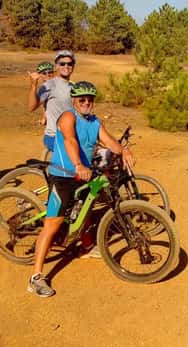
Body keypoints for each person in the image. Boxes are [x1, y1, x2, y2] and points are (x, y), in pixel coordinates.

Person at [27, 81, 135, 298]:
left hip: (84, 174)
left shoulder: (94, 122)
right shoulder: (69, 117)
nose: (86, 103)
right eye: (81, 99)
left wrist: (123, 150)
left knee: (87, 209)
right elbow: (70, 141)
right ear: (74, 101)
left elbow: (108, 141)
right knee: (52, 224)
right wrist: (78, 164)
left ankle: (84, 247)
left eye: (90, 99)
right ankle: (36, 277)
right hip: (63, 175)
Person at [27, 50, 76, 154]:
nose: (66, 66)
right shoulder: (49, 85)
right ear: (56, 66)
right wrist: (33, 85)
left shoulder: (74, 86)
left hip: (73, 135)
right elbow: (31, 107)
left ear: (73, 66)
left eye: (69, 64)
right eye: (62, 64)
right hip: (56, 136)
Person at [33, 61, 55, 127]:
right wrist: (44, 118)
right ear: (39, 75)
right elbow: (44, 104)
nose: (48, 75)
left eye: (50, 72)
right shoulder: (43, 88)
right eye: (44, 73)